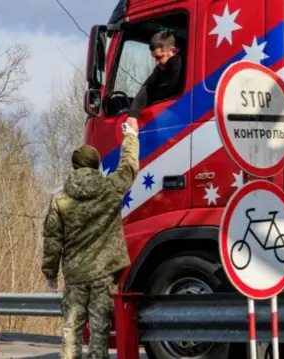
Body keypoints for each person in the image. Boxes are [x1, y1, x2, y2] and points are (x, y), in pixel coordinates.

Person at [41, 118, 140, 359]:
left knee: (71, 329)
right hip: (103, 272)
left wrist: (50, 275)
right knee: (99, 329)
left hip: (75, 273)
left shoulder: (60, 200)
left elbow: (52, 241)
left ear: (74, 166)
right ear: (96, 165)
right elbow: (128, 167)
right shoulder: (110, 189)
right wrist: (130, 137)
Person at [126, 30, 183, 123]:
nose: (156, 62)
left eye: (159, 57)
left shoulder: (180, 65)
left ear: (173, 50)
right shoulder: (160, 70)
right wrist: (133, 116)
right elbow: (146, 89)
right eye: (154, 58)